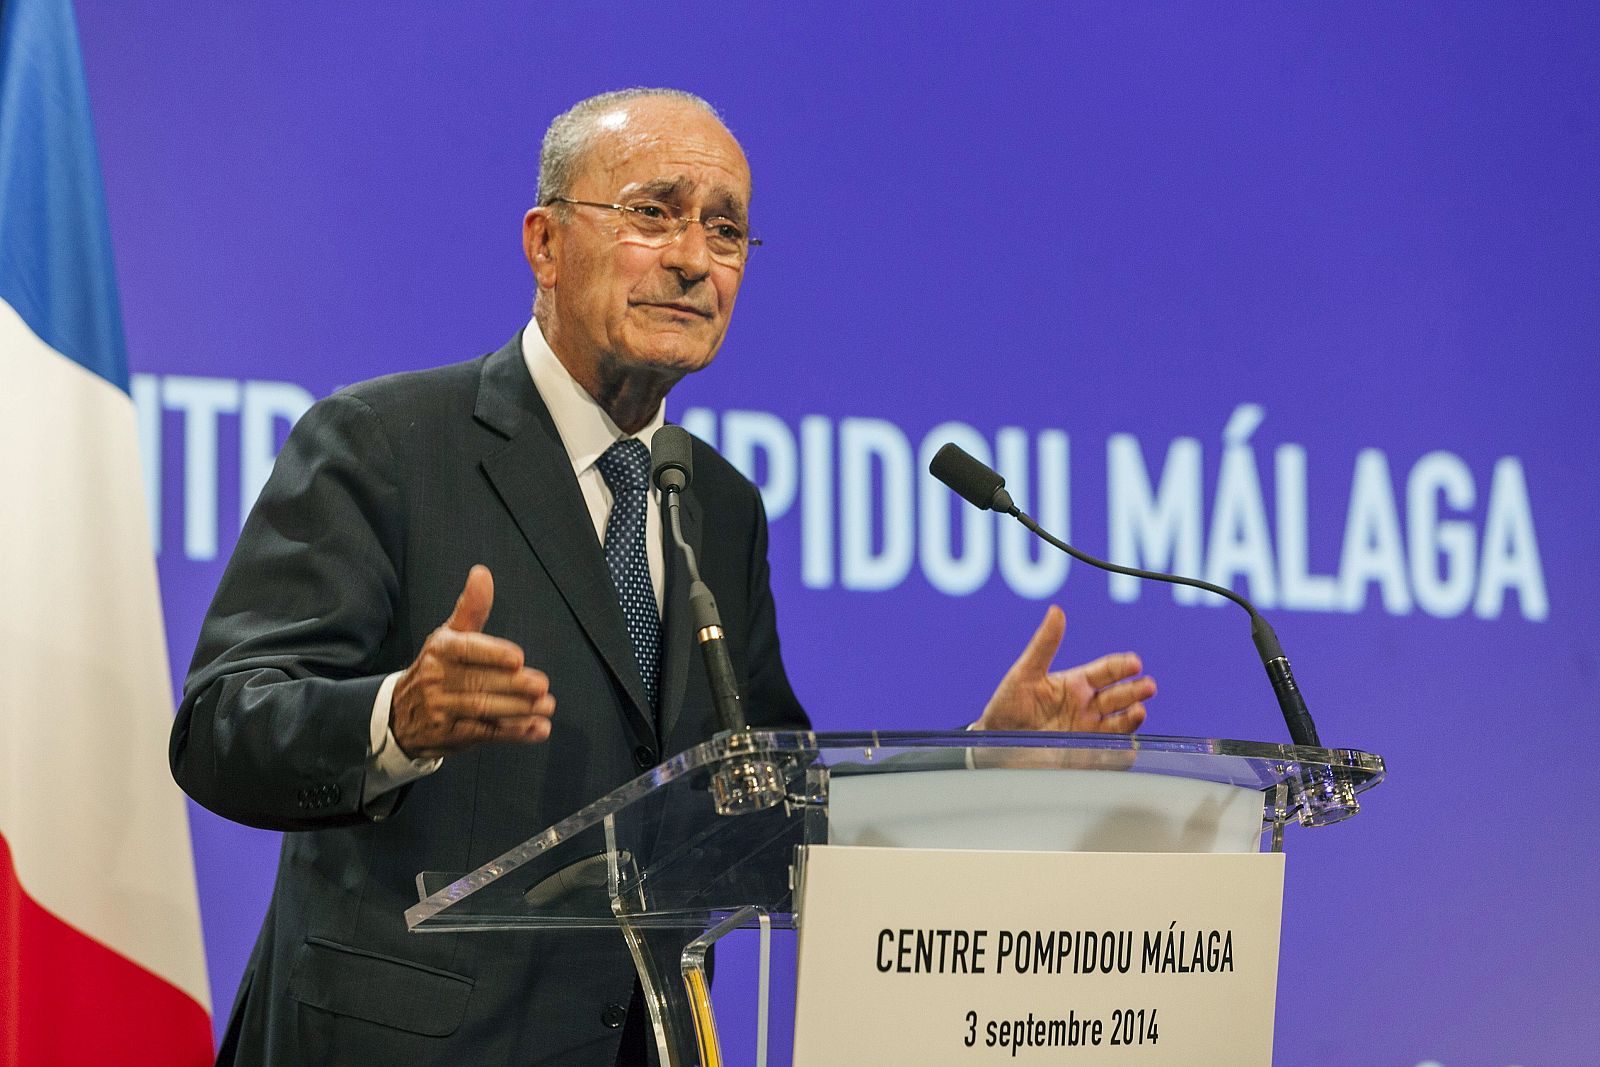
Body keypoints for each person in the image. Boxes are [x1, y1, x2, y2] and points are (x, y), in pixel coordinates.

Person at [171, 88, 1156, 1066]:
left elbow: (770, 804)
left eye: (725, 230)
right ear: (544, 243)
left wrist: (977, 763)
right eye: (652, 212)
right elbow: (222, 725)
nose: (692, 258)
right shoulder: (385, 443)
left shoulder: (715, 504)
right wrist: (396, 715)